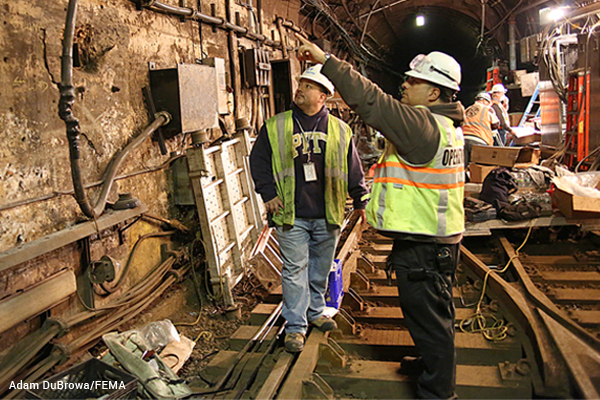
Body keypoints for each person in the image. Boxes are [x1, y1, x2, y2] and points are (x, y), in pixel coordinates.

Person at [296, 35, 464, 399]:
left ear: (434, 93)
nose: (405, 84)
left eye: (414, 81)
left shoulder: (422, 125)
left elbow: (372, 101)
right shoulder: (447, 126)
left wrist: (327, 61)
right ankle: (428, 364)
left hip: (425, 244)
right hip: (436, 239)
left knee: (432, 323)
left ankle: (439, 393)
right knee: (432, 316)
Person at [249, 64, 369, 354]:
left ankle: (315, 312)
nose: (299, 89)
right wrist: (268, 194)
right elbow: (259, 161)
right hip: (292, 213)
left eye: (307, 85)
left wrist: (361, 198)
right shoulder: (277, 125)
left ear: (322, 96)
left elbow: (353, 168)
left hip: (328, 212)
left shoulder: (341, 130)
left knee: (319, 268)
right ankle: (295, 326)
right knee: (293, 270)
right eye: (300, 84)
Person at [462, 92, 500, 169]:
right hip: (480, 140)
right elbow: (496, 124)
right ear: (485, 101)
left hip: (463, 140)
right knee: (481, 168)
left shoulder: (467, 109)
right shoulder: (487, 109)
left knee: (463, 167)